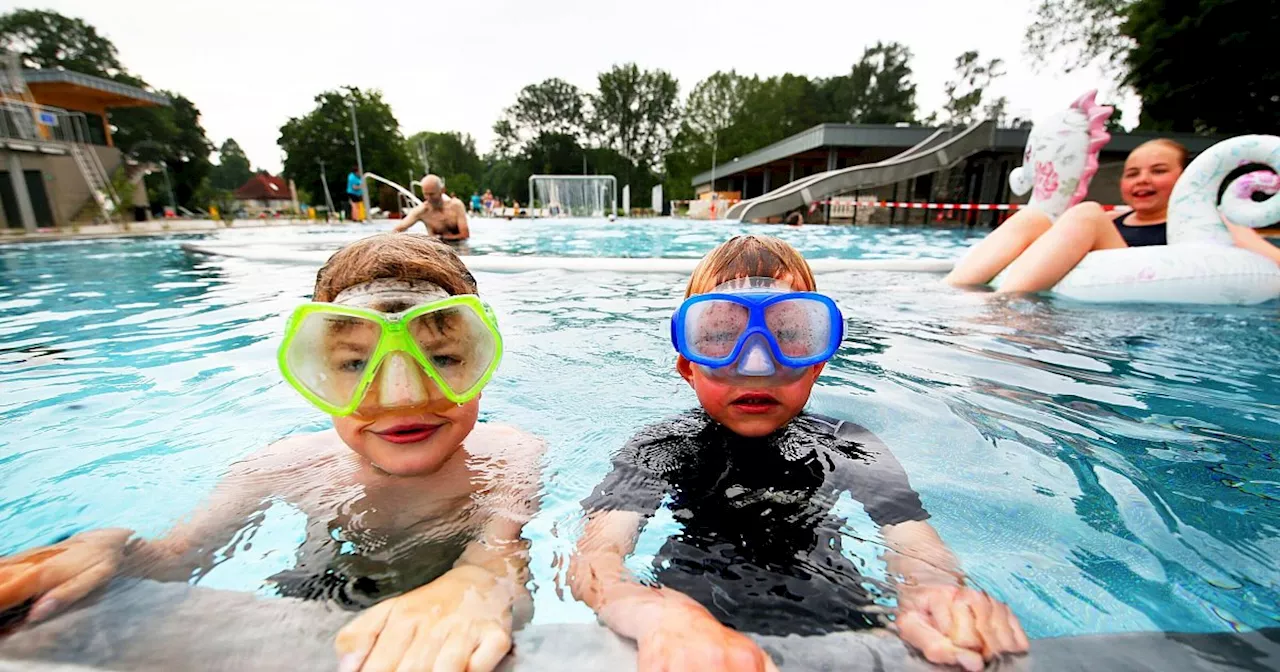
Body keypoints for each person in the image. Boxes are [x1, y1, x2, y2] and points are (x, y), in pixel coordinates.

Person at [0, 234, 542, 672]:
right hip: (314, 601)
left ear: (482, 360)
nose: (401, 397)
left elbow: (500, 555)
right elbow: (179, 557)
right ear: (315, 371)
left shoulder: (508, 455)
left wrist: (480, 583)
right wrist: (120, 553)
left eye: (443, 358)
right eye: (356, 364)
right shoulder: (285, 465)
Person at [570, 235, 1028, 672]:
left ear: (818, 363)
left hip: (835, 604)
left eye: (789, 334)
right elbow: (597, 558)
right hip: (690, 610)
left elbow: (911, 537)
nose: (757, 364)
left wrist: (936, 592)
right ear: (688, 366)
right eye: (720, 335)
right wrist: (655, 615)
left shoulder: (851, 443)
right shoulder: (661, 446)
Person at [946, 139, 1280, 292]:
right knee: (1034, 218)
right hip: (1079, 287)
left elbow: (1272, 262)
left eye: (1158, 171)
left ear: (1186, 178)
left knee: (1087, 213)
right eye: (1132, 173)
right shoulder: (1115, 219)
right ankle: (952, 290)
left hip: (1143, 293)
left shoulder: (1213, 222)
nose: (1142, 180)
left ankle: (1003, 304)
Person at [394, 175, 471, 241]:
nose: (429, 198)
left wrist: (442, 237)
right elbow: (397, 230)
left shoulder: (456, 206)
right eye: (426, 194)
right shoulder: (421, 211)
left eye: (432, 194)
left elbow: (465, 235)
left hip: (460, 245)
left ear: (442, 191)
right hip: (437, 249)